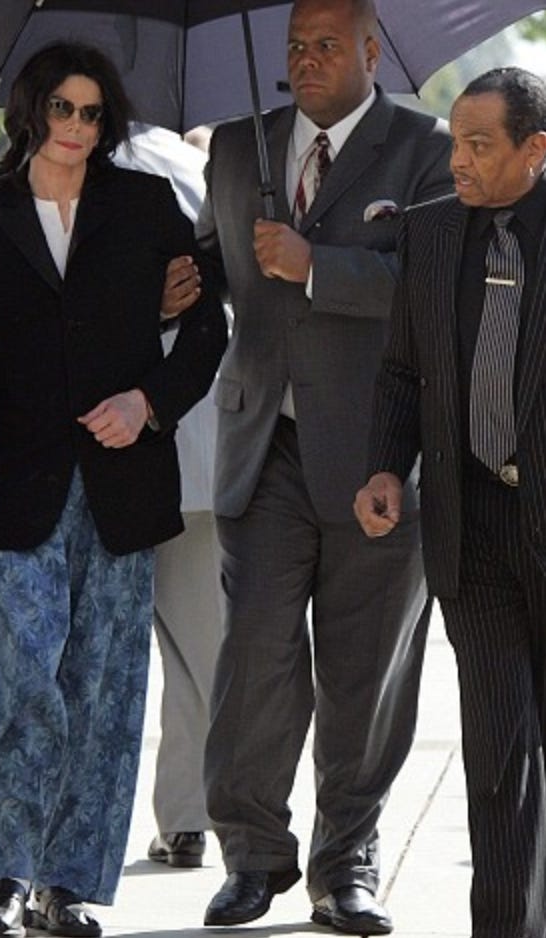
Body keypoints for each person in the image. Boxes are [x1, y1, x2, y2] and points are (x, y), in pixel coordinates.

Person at [0, 41, 226, 938]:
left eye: (93, 114)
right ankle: (0, 876)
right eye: (62, 110)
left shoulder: (146, 202)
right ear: (32, 110)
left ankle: (66, 886)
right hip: (19, 481)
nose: (77, 129)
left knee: (102, 685)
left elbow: (206, 326)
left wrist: (150, 402)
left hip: (125, 478)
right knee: (24, 678)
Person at [164, 0, 453, 931]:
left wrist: (318, 263)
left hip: (380, 449)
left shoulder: (427, 146)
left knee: (366, 672)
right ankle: (251, 855)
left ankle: (346, 864)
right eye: (296, 45)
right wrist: (189, 277)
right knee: (253, 656)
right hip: (262, 445)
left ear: (374, 52)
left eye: (328, 44)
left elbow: (436, 284)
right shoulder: (240, 147)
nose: (306, 59)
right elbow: (219, 262)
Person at [355, 66, 546, 938]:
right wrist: (386, 468)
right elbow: (402, 371)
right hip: (473, 530)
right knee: (496, 755)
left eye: (479, 146)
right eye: (453, 143)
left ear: (534, 152)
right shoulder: (430, 236)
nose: (458, 162)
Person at [115, 123, 224, 868]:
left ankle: (68, 830)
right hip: (201, 446)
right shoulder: (201, 167)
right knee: (203, 649)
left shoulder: (67, 167)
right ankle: (187, 815)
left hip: (118, 448)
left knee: (89, 658)